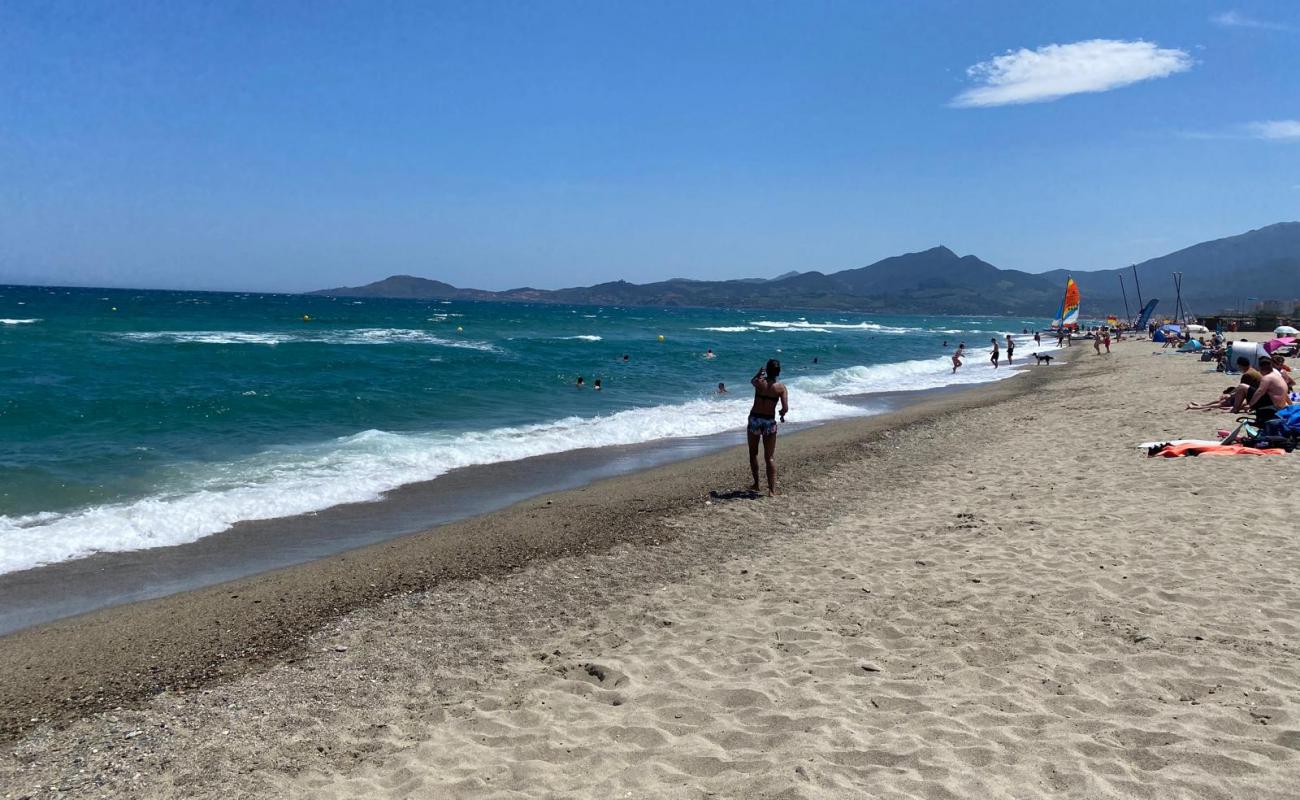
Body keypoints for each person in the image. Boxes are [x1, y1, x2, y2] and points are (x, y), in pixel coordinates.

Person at [748, 359, 788, 497]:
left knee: (753, 453)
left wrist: (758, 374)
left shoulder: (759, 382)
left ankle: (756, 484)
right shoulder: (781, 388)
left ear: (767, 370)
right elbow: (785, 408)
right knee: (769, 457)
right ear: (778, 372)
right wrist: (782, 414)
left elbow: (752, 381)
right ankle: (771, 490)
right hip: (769, 422)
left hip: (755, 419)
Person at [1248, 356, 1290, 424]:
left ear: (1261, 369)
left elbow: (1260, 392)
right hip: (1281, 406)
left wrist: (1250, 405)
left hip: (1274, 407)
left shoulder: (1267, 378)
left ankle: (1258, 415)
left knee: (1250, 390)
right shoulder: (1277, 375)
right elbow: (1285, 394)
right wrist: (1290, 405)